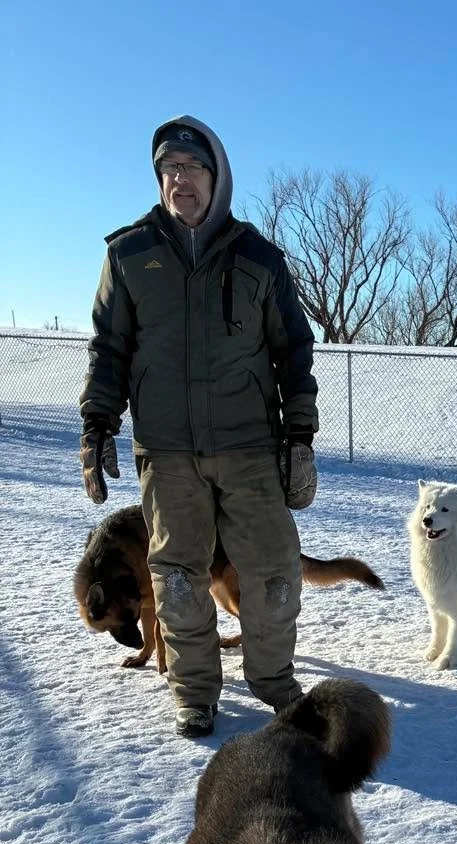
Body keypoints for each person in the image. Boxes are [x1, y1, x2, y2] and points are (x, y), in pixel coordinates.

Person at [79, 115, 319, 738]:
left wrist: (300, 436)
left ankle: (273, 681)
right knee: (179, 578)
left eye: (192, 168)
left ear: (218, 177)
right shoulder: (128, 254)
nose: (179, 180)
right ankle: (194, 693)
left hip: (249, 446)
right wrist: (97, 421)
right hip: (167, 448)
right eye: (169, 171)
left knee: (272, 572)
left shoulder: (258, 257)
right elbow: (108, 347)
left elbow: (293, 348)